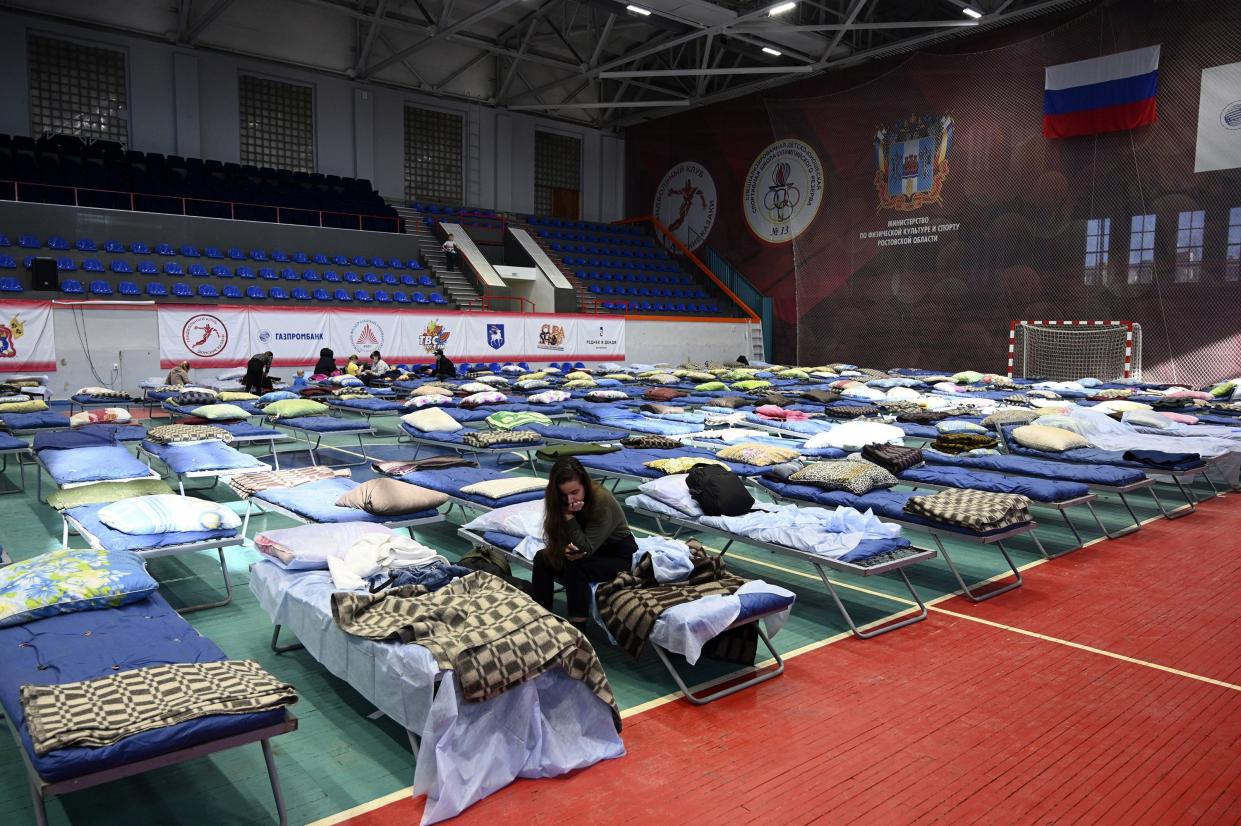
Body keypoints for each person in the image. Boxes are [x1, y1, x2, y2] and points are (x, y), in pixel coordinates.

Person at [532, 457, 637, 629]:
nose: (570, 499)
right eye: (564, 495)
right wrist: (564, 547)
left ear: (585, 485)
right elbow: (559, 538)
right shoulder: (558, 500)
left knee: (576, 566)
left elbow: (586, 548)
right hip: (594, 551)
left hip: (619, 556)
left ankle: (578, 631)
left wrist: (568, 516)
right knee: (542, 558)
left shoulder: (601, 500)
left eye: (574, 493)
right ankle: (539, 621)